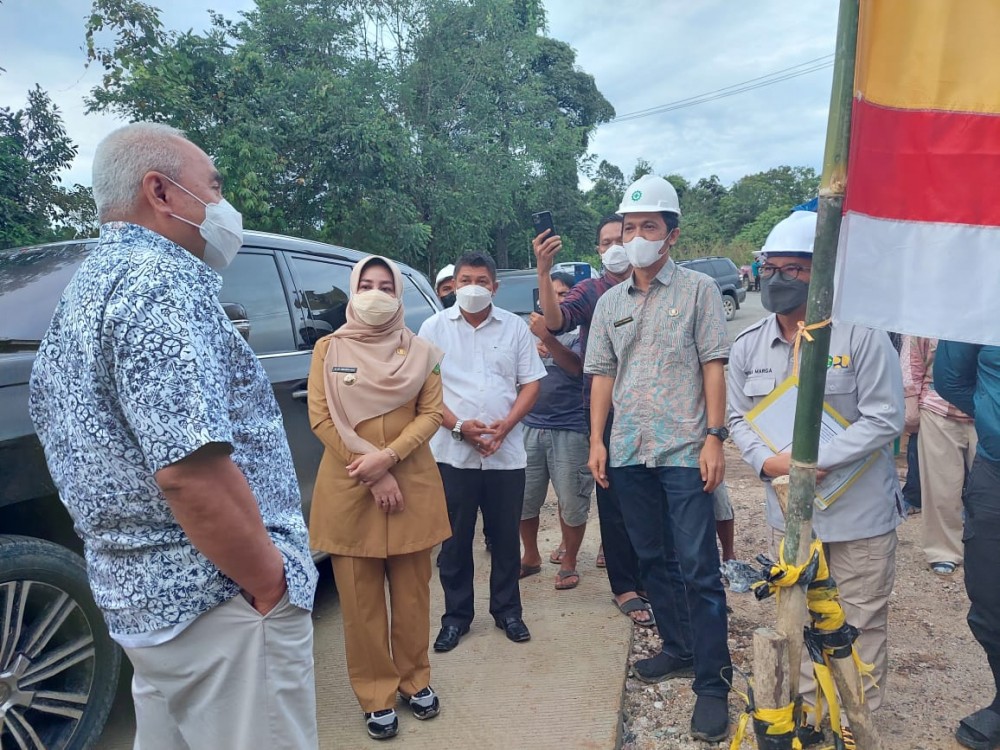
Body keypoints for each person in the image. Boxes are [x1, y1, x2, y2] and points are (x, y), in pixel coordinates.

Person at [28, 123, 318, 749]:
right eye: (213, 188)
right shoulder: (157, 282)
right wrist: (269, 583)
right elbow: (189, 469)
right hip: (220, 602)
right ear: (161, 191)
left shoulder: (84, 292)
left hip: (143, 603)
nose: (223, 207)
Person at [726, 210, 904, 734]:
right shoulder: (749, 346)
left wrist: (815, 461)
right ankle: (807, 719)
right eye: (771, 267)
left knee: (859, 624)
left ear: (823, 271)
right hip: (791, 520)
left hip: (859, 516)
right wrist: (765, 462)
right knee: (796, 622)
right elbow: (737, 417)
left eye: (796, 269)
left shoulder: (862, 337)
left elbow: (886, 417)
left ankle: (853, 726)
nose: (779, 278)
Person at [585, 174, 732, 743]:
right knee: (651, 558)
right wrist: (598, 440)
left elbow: (712, 364)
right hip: (626, 450)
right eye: (630, 227)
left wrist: (714, 437)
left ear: (671, 234)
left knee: (697, 563)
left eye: (649, 226)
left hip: (683, 449)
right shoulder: (609, 304)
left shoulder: (696, 291)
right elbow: (601, 374)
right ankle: (678, 647)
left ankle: (713, 682)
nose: (637, 236)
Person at [307, 255, 451, 740]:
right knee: (361, 603)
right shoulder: (329, 349)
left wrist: (388, 458)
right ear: (352, 291)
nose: (374, 293)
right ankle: (375, 694)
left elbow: (432, 414)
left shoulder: (422, 351)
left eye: (384, 286)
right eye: (365, 285)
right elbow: (322, 420)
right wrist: (372, 471)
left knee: (412, 594)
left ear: (398, 295)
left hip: (411, 483)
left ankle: (415, 680)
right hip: (350, 487)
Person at [418, 251, 546, 652]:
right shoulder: (433, 328)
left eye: (482, 280)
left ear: (495, 286)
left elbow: (531, 384)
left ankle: (508, 611)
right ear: (453, 284)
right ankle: (456, 618)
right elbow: (424, 389)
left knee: (505, 538)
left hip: (505, 454)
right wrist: (459, 427)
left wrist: (504, 428)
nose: (473, 287)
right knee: (454, 542)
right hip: (452, 455)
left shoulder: (514, 329)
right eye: (466, 279)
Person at [533, 214, 654, 627]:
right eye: (605, 242)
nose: (616, 246)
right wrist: (544, 271)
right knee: (614, 498)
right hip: (604, 410)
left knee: (656, 497)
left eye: (621, 237)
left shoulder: (659, 288)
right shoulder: (592, 291)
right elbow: (555, 322)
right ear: (598, 250)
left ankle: (656, 578)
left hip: (657, 409)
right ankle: (626, 586)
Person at [934, 339, 1000, 750]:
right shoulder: (983, 292)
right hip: (996, 474)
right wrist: (993, 418)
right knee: (990, 598)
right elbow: (951, 379)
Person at [519, 271, 594, 590]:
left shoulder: (581, 330)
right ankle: (531, 556)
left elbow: (579, 369)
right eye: (552, 294)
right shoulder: (525, 331)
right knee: (523, 499)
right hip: (529, 427)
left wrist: (548, 340)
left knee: (571, 501)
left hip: (571, 427)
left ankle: (569, 561)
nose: (558, 299)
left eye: (564, 294)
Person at [903, 335, 976, 575]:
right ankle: (943, 550)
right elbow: (913, 355)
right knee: (941, 487)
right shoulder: (931, 312)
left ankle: (987, 549)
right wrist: (910, 403)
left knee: (990, 489)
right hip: (937, 407)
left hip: (990, 408)